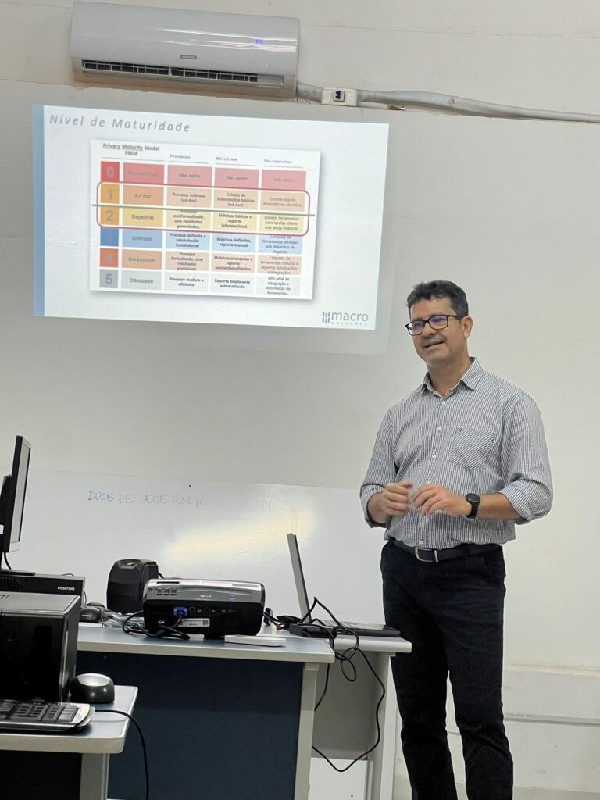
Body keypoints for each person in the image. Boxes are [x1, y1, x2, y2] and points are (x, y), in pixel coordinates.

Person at [360, 280, 552, 800]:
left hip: (471, 574)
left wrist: (467, 502)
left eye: (438, 320)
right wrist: (380, 503)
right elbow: (370, 491)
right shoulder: (399, 414)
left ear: (465, 325)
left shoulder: (510, 404)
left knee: (479, 717)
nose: (427, 332)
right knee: (418, 718)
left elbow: (536, 493)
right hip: (404, 572)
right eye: (417, 324)